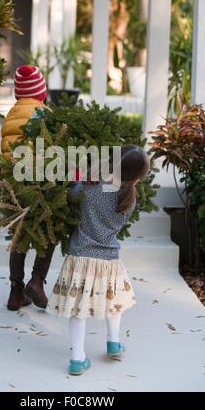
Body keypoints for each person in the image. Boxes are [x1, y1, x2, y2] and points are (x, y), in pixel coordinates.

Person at [46, 145, 150, 375]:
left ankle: (77, 359)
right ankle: (114, 343)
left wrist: (77, 175)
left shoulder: (90, 187)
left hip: (80, 257)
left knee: (77, 310)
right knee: (115, 303)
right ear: (137, 177)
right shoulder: (128, 199)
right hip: (108, 260)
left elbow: (72, 193)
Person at [1, 64, 54, 311]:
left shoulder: (11, 114)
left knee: (19, 237)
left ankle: (15, 291)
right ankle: (37, 281)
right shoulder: (42, 114)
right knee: (47, 232)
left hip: (14, 184)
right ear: (41, 91)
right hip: (38, 184)